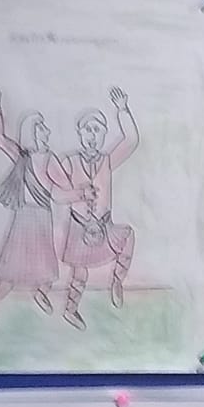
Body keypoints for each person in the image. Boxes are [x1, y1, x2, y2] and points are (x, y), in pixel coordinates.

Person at [52, 91, 138, 330]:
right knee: (80, 272)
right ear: (80, 133)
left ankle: (117, 281)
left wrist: (122, 109)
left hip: (104, 225)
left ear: (103, 135)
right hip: (79, 228)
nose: (92, 135)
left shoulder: (107, 161)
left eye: (97, 130)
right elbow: (56, 195)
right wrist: (79, 194)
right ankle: (71, 310)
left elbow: (131, 140)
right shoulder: (69, 162)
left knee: (128, 237)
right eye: (87, 130)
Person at [0, 86, 60, 322]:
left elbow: (61, 187)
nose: (47, 132)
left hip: (43, 217)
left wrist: (79, 192)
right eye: (42, 128)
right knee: (11, 272)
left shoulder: (50, 159)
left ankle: (41, 292)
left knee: (46, 268)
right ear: (32, 132)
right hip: (26, 218)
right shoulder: (22, 156)